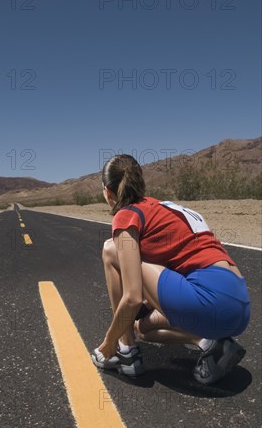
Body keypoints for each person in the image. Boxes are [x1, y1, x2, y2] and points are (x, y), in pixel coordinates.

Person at [91, 154, 250, 385]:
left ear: (108, 192)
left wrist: (109, 341)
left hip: (209, 299)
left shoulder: (126, 216)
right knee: (143, 329)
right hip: (238, 307)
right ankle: (213, 344)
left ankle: (125, 352)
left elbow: (133, 296)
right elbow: (173, 263)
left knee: (110, 249)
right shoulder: (163, 207)